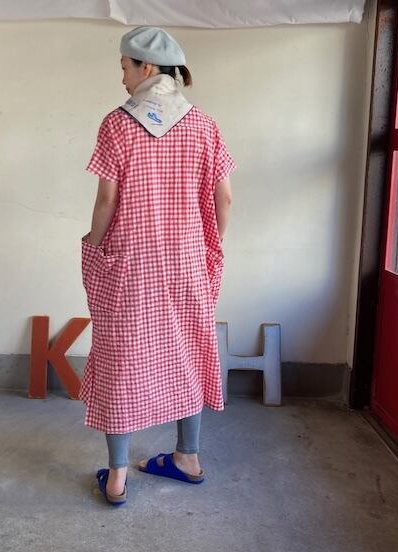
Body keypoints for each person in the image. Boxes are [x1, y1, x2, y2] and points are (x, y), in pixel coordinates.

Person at [80, 26, 236, 506]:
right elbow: (225, 197)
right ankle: (187, 457)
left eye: (124, 67)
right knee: (189, 346)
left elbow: (106, 200)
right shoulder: (204, 124)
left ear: (146, 67)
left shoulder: (117, 124)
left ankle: (117, 476)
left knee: (120, 354)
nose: (122, 77)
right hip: (187, 260)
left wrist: (94, 244)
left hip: (131, 262)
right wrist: (210, 243)